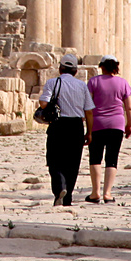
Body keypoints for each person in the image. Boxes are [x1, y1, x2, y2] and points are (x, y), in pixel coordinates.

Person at [37, 53, 94, 206]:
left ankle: (60, 188)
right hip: (76, 126)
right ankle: (67, 198)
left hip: (58, 124)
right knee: (73, 163)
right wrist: (89, 132)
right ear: (75, 71)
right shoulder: (82, 85)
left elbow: (43, 103)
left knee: (54, 160)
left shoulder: (52, 82)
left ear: (60, 68)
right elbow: (88, 110)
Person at [84, 56, 131, 203]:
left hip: (97, 123)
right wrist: (129, 125)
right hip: (117, 124)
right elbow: (129, 107)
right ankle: (107, 193)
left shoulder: (93, 81)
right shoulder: (123, 83)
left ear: (102, 67)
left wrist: (87, 125)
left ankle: (95, 193)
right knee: (112, 158)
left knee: (95, 158)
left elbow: (88, 104)